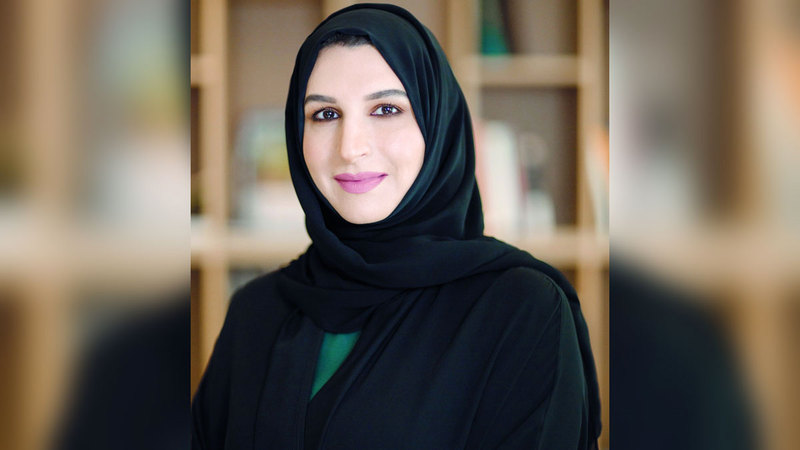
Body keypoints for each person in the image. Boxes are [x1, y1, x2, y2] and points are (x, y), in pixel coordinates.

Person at [192, 4, 601, 449]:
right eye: (325, 114)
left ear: (436, 122)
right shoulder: (256, 311)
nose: (350, 148)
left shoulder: (522, 310)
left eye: (386, 109)